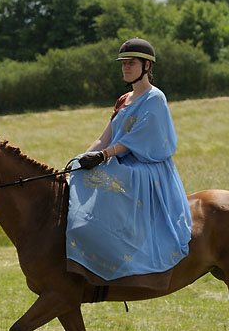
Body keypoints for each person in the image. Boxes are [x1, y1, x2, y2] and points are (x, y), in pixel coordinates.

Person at [66, 38, 192, 287]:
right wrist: (78, 162)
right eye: (123, 63)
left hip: (145, 170)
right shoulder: (124, 99)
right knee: (79, 179)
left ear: (146, 66)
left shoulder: (155, 99)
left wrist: (104, 156)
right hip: (117, 161)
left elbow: (139, 139)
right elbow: (104, 137)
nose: (125, 67)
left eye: (131, 63)